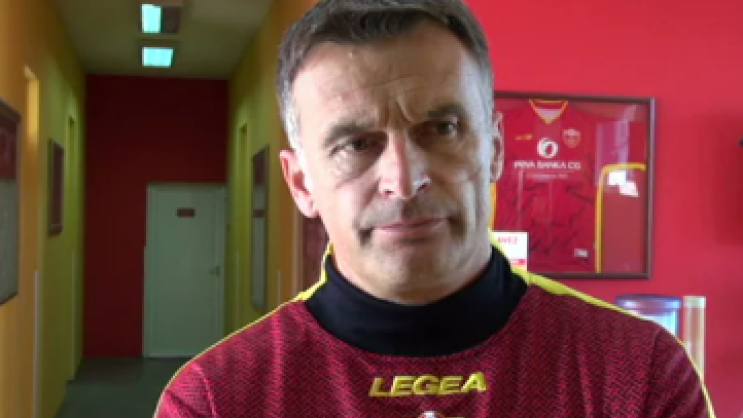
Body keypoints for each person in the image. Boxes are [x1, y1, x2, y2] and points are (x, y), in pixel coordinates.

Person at [154, 1, 716, 417]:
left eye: (442, 128)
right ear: (302, 183)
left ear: (495, 148)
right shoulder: (216, 400)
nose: (404, 180)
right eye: (357, 144)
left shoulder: (639, 374)